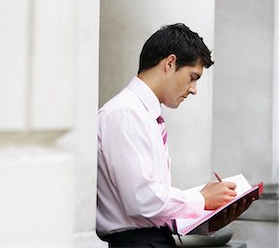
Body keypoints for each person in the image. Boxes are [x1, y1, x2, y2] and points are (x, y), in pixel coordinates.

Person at [96, 23, 253, 248]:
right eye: (192, 77)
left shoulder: (144, 114)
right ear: (170, 63)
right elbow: (141, 200)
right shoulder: (124, 113)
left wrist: (209, 217)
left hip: (153, 240)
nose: (193, 89)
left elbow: (150, 207)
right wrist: (202, 198)